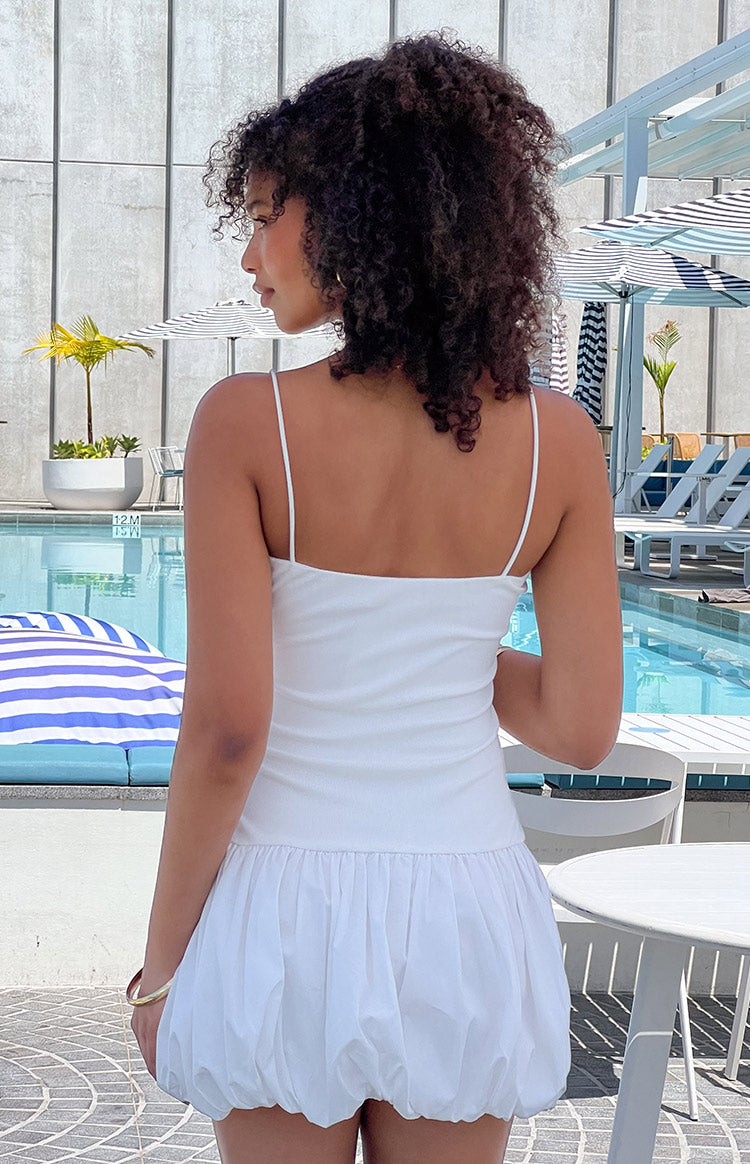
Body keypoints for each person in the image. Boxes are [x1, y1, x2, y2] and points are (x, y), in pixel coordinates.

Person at [129, 32, 622, 1164]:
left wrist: (163, 970)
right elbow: (584, 728)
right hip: (463, 912)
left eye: (264, 214)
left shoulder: (247, 427)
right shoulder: (560, 444)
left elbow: (226, 732)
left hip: (281, 910)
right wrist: (440, 648)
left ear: (355, 212)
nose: (250, 253)